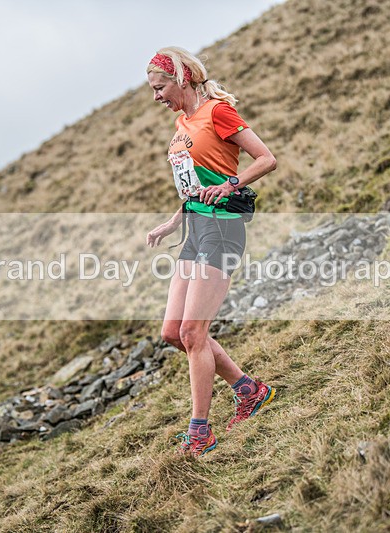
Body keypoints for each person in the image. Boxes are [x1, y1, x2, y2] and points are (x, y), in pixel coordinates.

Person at [145, 47, 278, 457]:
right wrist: (174, 219)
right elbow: (192, 184)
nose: (156, 96)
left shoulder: (217, 112)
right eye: (152, 90)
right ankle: (249, 390)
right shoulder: (181, 122)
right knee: (173, 333)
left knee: (192, 332)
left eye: (161, 87)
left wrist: (231, 184)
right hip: (196, 229)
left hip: (222, 229)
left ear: (182, 78)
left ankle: (199, 431)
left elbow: (266, 158)